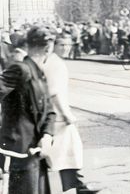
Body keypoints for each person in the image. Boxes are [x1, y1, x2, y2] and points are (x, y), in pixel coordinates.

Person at [0, 25, 56, 194]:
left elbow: (50, 111)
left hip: (37, 152)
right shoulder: (21, 69)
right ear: (48, 48)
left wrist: (47, 136)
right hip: (19, 153)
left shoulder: (40, 73)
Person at [42, 35, 99, 193]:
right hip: (58, 116)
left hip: (56, 115)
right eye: (62, 44)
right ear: (54, 44)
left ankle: (77, 185)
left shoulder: (55, 61)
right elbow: (54, 93)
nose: (66, 48)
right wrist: (66, 114)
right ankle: (77, 185)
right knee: (66, 151)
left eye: (68, 44)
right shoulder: (55, 64)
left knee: (67, 152)